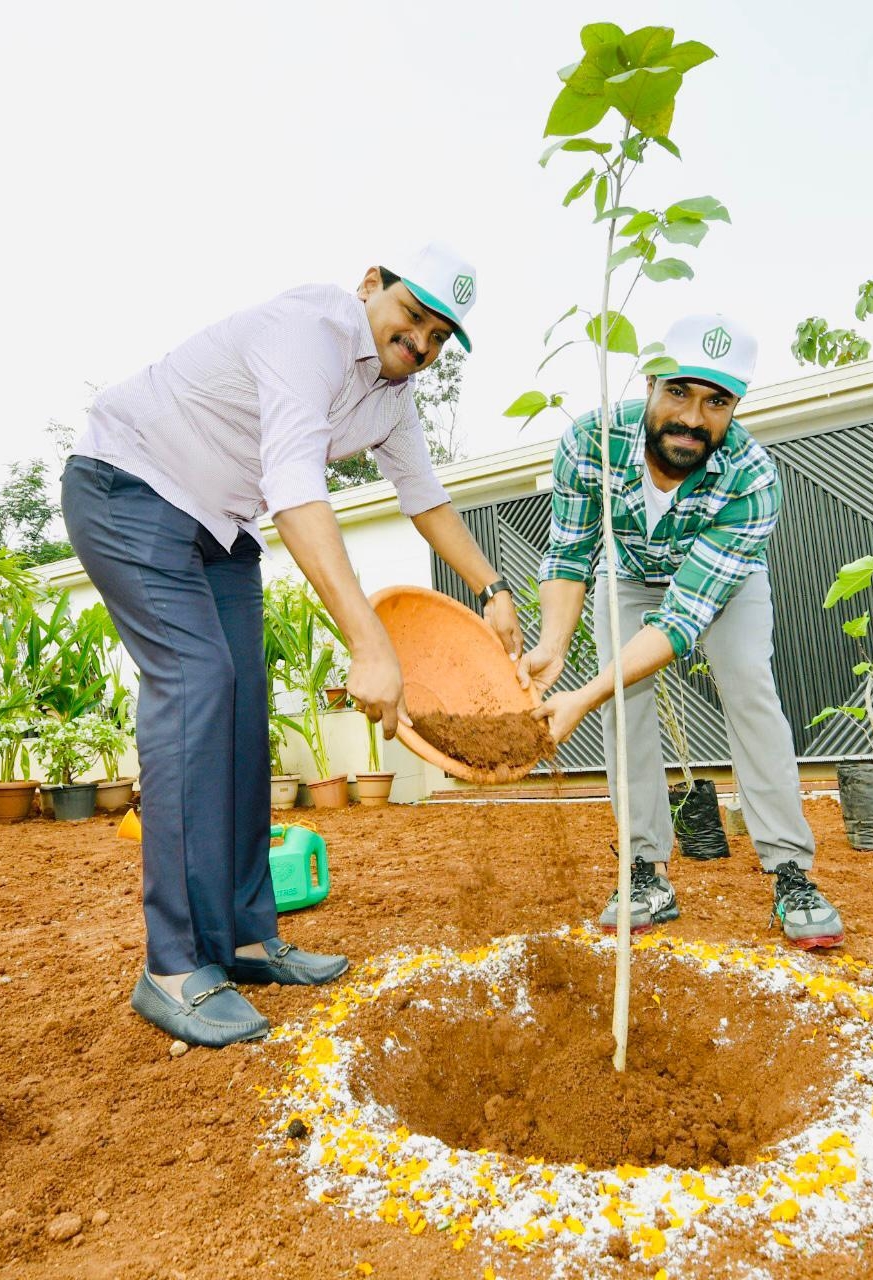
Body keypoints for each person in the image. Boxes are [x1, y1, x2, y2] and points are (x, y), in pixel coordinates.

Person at [61, 243, 522, 1047]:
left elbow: (424, 496)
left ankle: (243, 937)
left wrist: (492, 590)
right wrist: (370, 643)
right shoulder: (307, 331)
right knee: (197, 684)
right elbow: (295, 485)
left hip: (218, 525)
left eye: (439, 337)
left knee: (239, 711)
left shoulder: (392, 397)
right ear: (371, 284)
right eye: (412, 317)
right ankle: (171, 967)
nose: (419, 344)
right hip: (127, 485)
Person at [517, 313, 844, 950]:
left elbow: (683, 618)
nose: (693, 417)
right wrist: (553, 647)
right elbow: (567, 554)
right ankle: (644, 870)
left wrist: (582, 696)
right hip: (630, 572)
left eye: (715, 402)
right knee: (623, 707)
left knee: (750, 687)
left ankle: (790, 871)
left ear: (735, 407)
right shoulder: (589, 442)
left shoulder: (752, 477)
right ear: (650, 383)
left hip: (719, 584)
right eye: (679, 393)